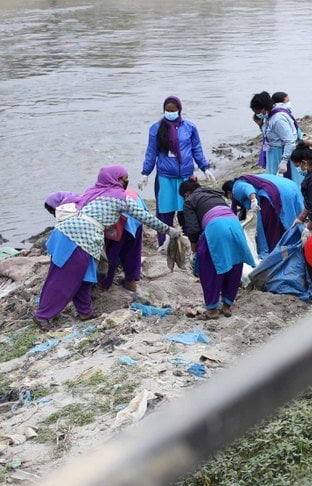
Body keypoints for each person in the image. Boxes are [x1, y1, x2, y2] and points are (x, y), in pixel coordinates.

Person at [36, 166, 177, 327]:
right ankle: (43, 315)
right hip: (76, 237)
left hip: (78, 236)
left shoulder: (93, 192)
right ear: (115, 180)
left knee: (84, 277)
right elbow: (145, 217)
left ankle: (85, 312)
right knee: (63, 278)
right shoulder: (119, 198)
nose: (126, 182)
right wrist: (169, 230)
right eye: (124, 179)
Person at [140, 95, 214, 246]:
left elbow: (196, 150)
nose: (170, 112)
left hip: (185, 177)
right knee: (164, 212)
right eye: (167, 110)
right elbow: (151, 152)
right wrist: (145, 173)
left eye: (173, 110)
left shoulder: (190, 128)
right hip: (165, 177)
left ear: (179, 111)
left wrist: (205, 168)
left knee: (187, 211)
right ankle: (164, 243)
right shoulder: (156, 128)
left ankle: (190, 240)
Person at [180, 179, 256, 319]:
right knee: (234, 263)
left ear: (187, 194)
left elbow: (193, 229)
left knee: (209, 267)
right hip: (234, 225)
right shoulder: (214, 194)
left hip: (216, 227)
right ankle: (226, 305)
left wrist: (194, 252)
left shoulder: (189, 201)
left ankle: (212, 309)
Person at [222, 173, 304, 256]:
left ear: (229, 193)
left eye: (228, 197)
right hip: (290, 188)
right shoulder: (252, 178)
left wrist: (253, 200)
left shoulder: (237, 187)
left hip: (274, 194)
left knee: (271, 230)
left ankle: (278, 256)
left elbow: (248, 189)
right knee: (288, 223)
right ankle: (293, 250)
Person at [97, 182, 151, 294]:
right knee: (133, 252)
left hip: (119, 224)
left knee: (111, 254)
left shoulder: (102, 195)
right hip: (136, 224)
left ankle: (104, 284)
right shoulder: (132, 193)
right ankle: (130, 280)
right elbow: (145, 211)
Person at [252, 91, 303, 185]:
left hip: (281, 153)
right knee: (275, 181)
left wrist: (284, 160)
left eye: (257, 112)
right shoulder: (269, 116)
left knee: (287, 182)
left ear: (264, 108)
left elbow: (290, 141)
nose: (257, 114)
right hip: (273, 153)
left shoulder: (278, 119)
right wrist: (260, 125)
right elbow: (269, 133)